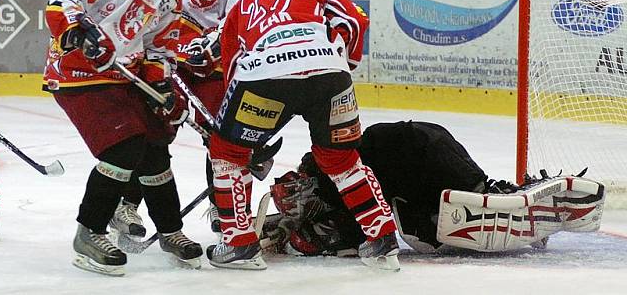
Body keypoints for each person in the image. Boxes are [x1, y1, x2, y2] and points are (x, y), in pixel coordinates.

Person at [206, 0, 400, 272]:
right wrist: (343, 63)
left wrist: (241, 133)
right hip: (329, 74)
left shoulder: (243, 3)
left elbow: (233, 64)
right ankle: (381, 236)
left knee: (227, 152)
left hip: (265, 77)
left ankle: (238, 244)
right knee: (341, 158)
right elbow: (354, 21)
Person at [43, 0, 203, 276]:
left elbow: (158, 48)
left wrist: (160, 82)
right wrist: (76, 28)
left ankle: (170, 230)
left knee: (155, 144)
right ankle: (89, 232)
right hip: (78, 72)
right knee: (124, 147)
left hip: (123, 75)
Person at [108, 0, 259, 240]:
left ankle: (226, 209)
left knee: (222, 134)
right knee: (148, 131)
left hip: (214, 64)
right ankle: (126, 202)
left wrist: (209, 42)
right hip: (168, 58)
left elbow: (239, 16)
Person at [258, 121, 605, 257]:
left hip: (424, 156)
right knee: (438, 229)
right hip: (418, 173)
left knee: (461, 208)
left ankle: (494, 192)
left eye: (295, 201)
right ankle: (503, 200)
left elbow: (352, 232)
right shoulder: (326, 185)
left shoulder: (329, 172)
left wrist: (292, 236)